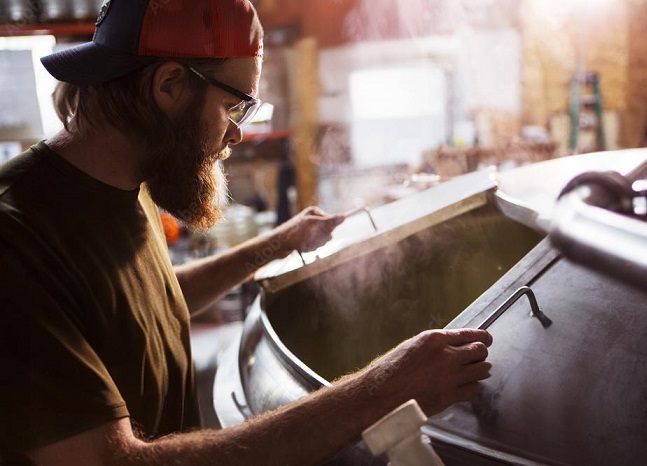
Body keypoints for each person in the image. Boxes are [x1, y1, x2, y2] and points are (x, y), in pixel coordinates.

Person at [0, 1, 492, 464]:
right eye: (235, 106)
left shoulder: (126, 180)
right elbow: (112, 462)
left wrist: (279, 243)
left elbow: (143, 306)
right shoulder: (15, 236)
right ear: (169, 84)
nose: (236, 133)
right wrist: (381, 390)